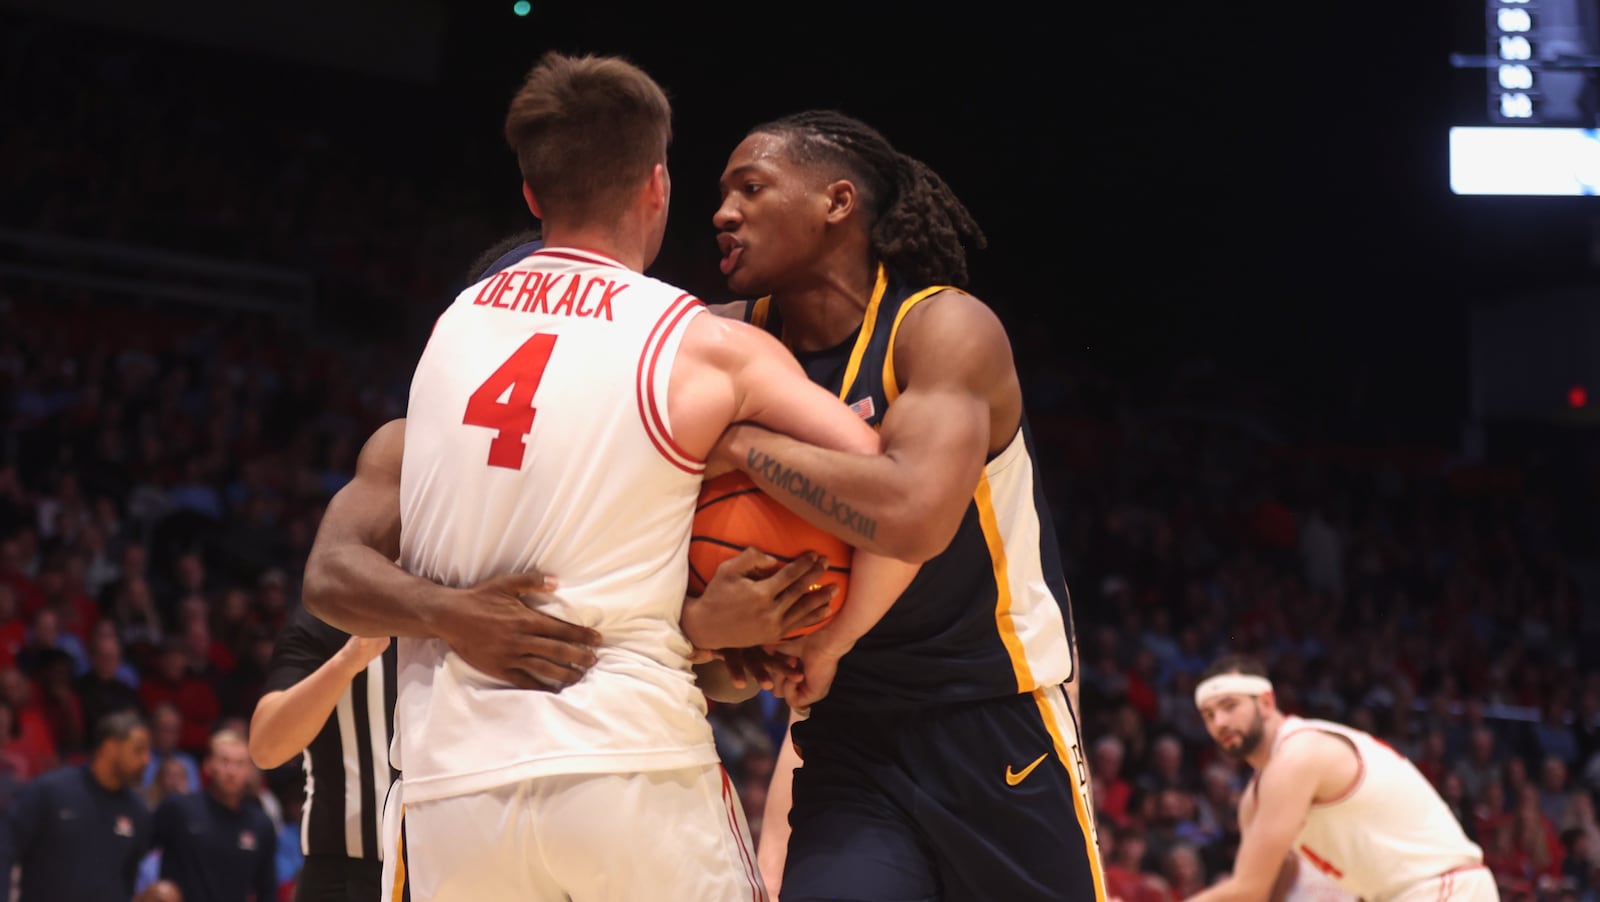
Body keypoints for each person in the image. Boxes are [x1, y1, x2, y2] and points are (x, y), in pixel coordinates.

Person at [303, 51, 915, 902]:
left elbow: (329, 576)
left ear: (532, 194)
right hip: (627, 760)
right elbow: (885, 487)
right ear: (657, 185)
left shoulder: (448, 334)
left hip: (451, 788)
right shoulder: (701, 341)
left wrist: (449, 613)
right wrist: (741, 465)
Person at [707, 110, 1101, 900]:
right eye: (722, 195)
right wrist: (718, 635)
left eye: (751, 188)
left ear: (838, 202)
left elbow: (915, 515)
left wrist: (746, 448)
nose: (723, 212)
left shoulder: (943, 328)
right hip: (843, 724)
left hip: (993, 714)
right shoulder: (718, 340)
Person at [1188, 654, 1496, 901]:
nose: (1220, 722)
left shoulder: (1299, 755)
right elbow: (1263, 892)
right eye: (1208, 715)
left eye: (1230, 706)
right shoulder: (1255, 799)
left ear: (1267, 702)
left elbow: (1247, 890)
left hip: (1441, 889)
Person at [247, 604, 396, 902]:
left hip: (445, 860)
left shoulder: (451, 613)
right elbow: (265, 747)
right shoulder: (324, 621)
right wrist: (346, 661)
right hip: (347, 872)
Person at [0, 710, 155, 901]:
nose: (147, 760)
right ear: (110, 747)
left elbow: (128, 879)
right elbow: (5, 847)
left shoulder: (138, 811)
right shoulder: (51, 791)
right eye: (138, 750)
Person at [152, 728, 277, 902]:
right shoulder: (178, 808)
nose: (231, 771)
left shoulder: (261, 825)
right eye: (224, 761)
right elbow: (135, 849)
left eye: (240, 763)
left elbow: (267, 891)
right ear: (208, 765)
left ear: (249, 770)